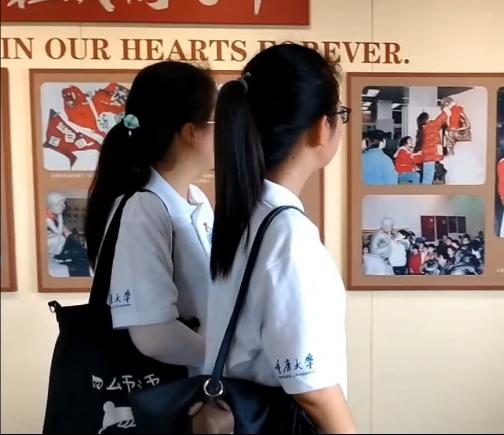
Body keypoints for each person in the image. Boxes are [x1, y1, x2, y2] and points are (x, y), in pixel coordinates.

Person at [205, 44, 357, 433]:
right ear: (322, 127)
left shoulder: (246, 215)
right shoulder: (288, 234)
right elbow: (313, 391)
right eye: (341, 114)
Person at [85, 61, 217, 371]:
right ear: (191, 132)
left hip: (201, 386)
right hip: (172, 392)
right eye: (217, 121)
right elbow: (154, 335)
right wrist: (228, 362)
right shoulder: (144, 208)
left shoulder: (195, 199)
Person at [415, 112, 447, 184]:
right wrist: (446, 111)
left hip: (427, 155)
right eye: (429, 116)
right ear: (426, 119)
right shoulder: (430, 125)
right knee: (428, 178)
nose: (431, 115)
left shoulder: (425, 128)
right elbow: (440, 120)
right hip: (430, 155)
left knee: (427, 176)